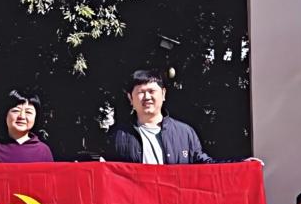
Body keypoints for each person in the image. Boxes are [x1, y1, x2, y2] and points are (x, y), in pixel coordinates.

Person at [105, 69, 260, 164]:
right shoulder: (117, 135)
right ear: (130, 98)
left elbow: (205, 166)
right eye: (140, 92)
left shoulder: (185, 133)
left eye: (151, 91)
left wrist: (240, 165)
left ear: (163, 94)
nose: (146, 97)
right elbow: (104, 173)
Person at [0, 89, 54, 163]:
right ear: (5, 115)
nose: (22, 116)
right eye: (16, 111)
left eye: (28, 112)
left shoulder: (43, 151)